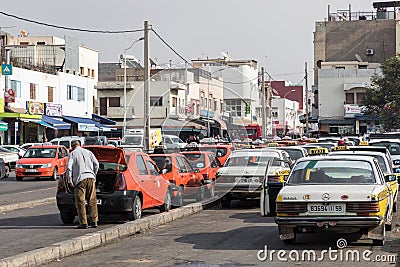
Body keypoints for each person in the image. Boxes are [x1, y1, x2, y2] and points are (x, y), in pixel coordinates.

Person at [66, 140, 99, 229]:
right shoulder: (88, 152)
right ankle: (94, 221)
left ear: (72, 146)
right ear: (80, 145)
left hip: (80, 180)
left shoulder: (72, 154)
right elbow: (96, 164)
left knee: (80, 202)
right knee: (92, 200)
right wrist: (94, 174)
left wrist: (70, 180)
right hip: (91, 177)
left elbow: (69, 168)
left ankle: (84, 223)